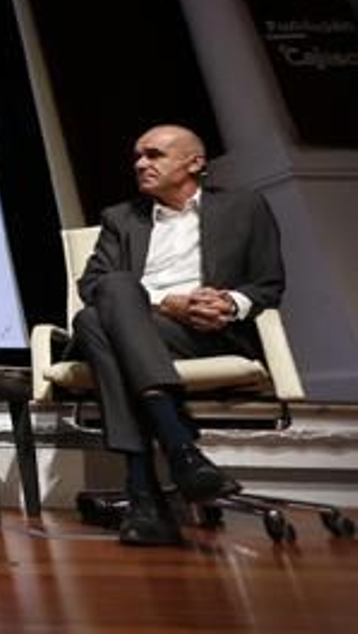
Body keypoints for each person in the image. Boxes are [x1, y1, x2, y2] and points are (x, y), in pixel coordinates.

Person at [69, 124, 284, 546]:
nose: (140, 163)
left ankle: (144, 495)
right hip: (144, 321)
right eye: (137, 156)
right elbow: (91, 286)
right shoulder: (120, 217)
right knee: (109, 294)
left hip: (206, 334)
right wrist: (165, 301)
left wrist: (229, 304)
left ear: (195, 163)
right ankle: (182, 450)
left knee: (94, 326)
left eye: (153, 155)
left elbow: (267, 285)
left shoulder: (244, 207)